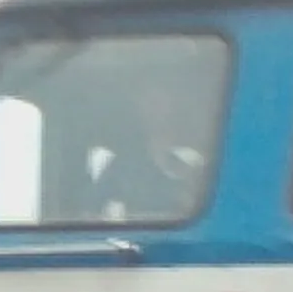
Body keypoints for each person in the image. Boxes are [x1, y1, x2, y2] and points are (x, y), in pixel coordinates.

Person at [89, 81, 212, 222]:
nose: (155, 111)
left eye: (161, 102)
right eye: (149, 102)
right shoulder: (122, 168)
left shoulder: (206, 159)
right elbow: (96, 211)